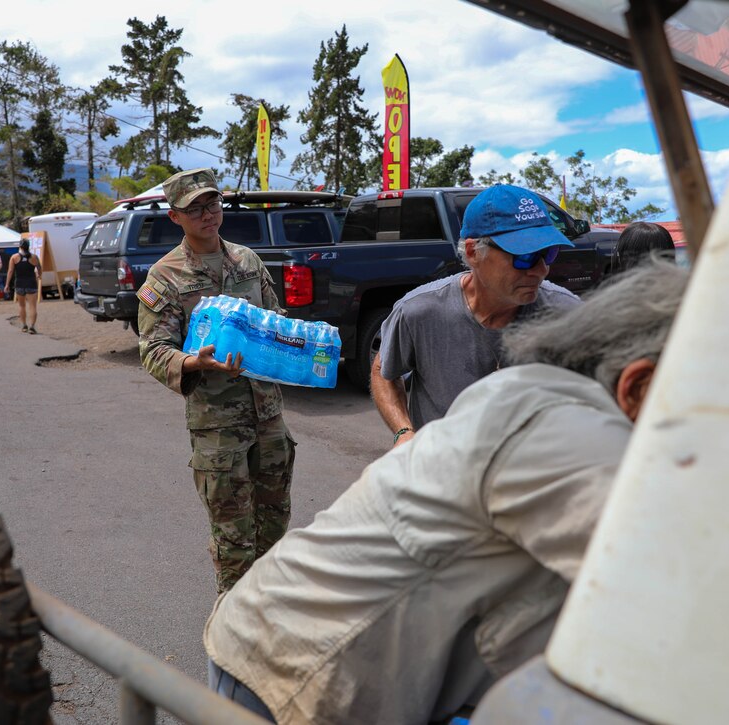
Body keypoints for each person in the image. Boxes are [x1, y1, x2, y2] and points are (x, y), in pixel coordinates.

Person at [204, 261, 690, 725]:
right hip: (290, 674)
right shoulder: (567, 431)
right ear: (640, 385)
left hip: (310, 653)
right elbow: (663, 576)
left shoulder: (535, 392)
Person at [138, 168, 296, 594]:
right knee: (235, 543)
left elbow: (274, 318)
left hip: (268, 417)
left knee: (274, 529)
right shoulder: (165, 277)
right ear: (175, 216)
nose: (207, 214)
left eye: (212, 203)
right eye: (195, 208)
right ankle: (230, 638)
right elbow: (152, 350)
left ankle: (267, 618)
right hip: (218, 428)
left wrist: (296, 342)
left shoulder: (247, 260)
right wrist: (194, 361)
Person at [372, 184, 580, 448]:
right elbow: (383, 369)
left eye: (548, 253)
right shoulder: (420, 311)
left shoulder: (567, 315)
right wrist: (404, 433)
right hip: (443, 474)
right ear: (473, 252)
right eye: (525, 256)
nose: (541, 270)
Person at [5, 239, 41, 334]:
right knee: (33, 306)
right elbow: (39, 268)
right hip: (31, 283)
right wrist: (39, 276)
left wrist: (7, 284)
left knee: (22, 306)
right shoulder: (34, 257)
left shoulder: (14, 257)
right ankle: (32, 326)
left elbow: (10, 271)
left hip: (19, 283)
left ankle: (24, 325)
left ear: (20, 246)